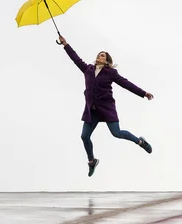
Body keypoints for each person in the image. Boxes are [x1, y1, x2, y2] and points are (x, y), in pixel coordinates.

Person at [58, 36, 154, 177]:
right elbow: (75, 58)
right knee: (84, 136)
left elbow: (126, 84)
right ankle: (92, 161)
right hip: (92, 110)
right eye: (98, 55)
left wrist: (143, 93)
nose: (99, 56)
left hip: (106, 108)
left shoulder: (111, 73)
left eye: (103, 55)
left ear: (107, 61)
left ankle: (140, 142)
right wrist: (65, 44)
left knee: (117, 133)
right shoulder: (88, 69)